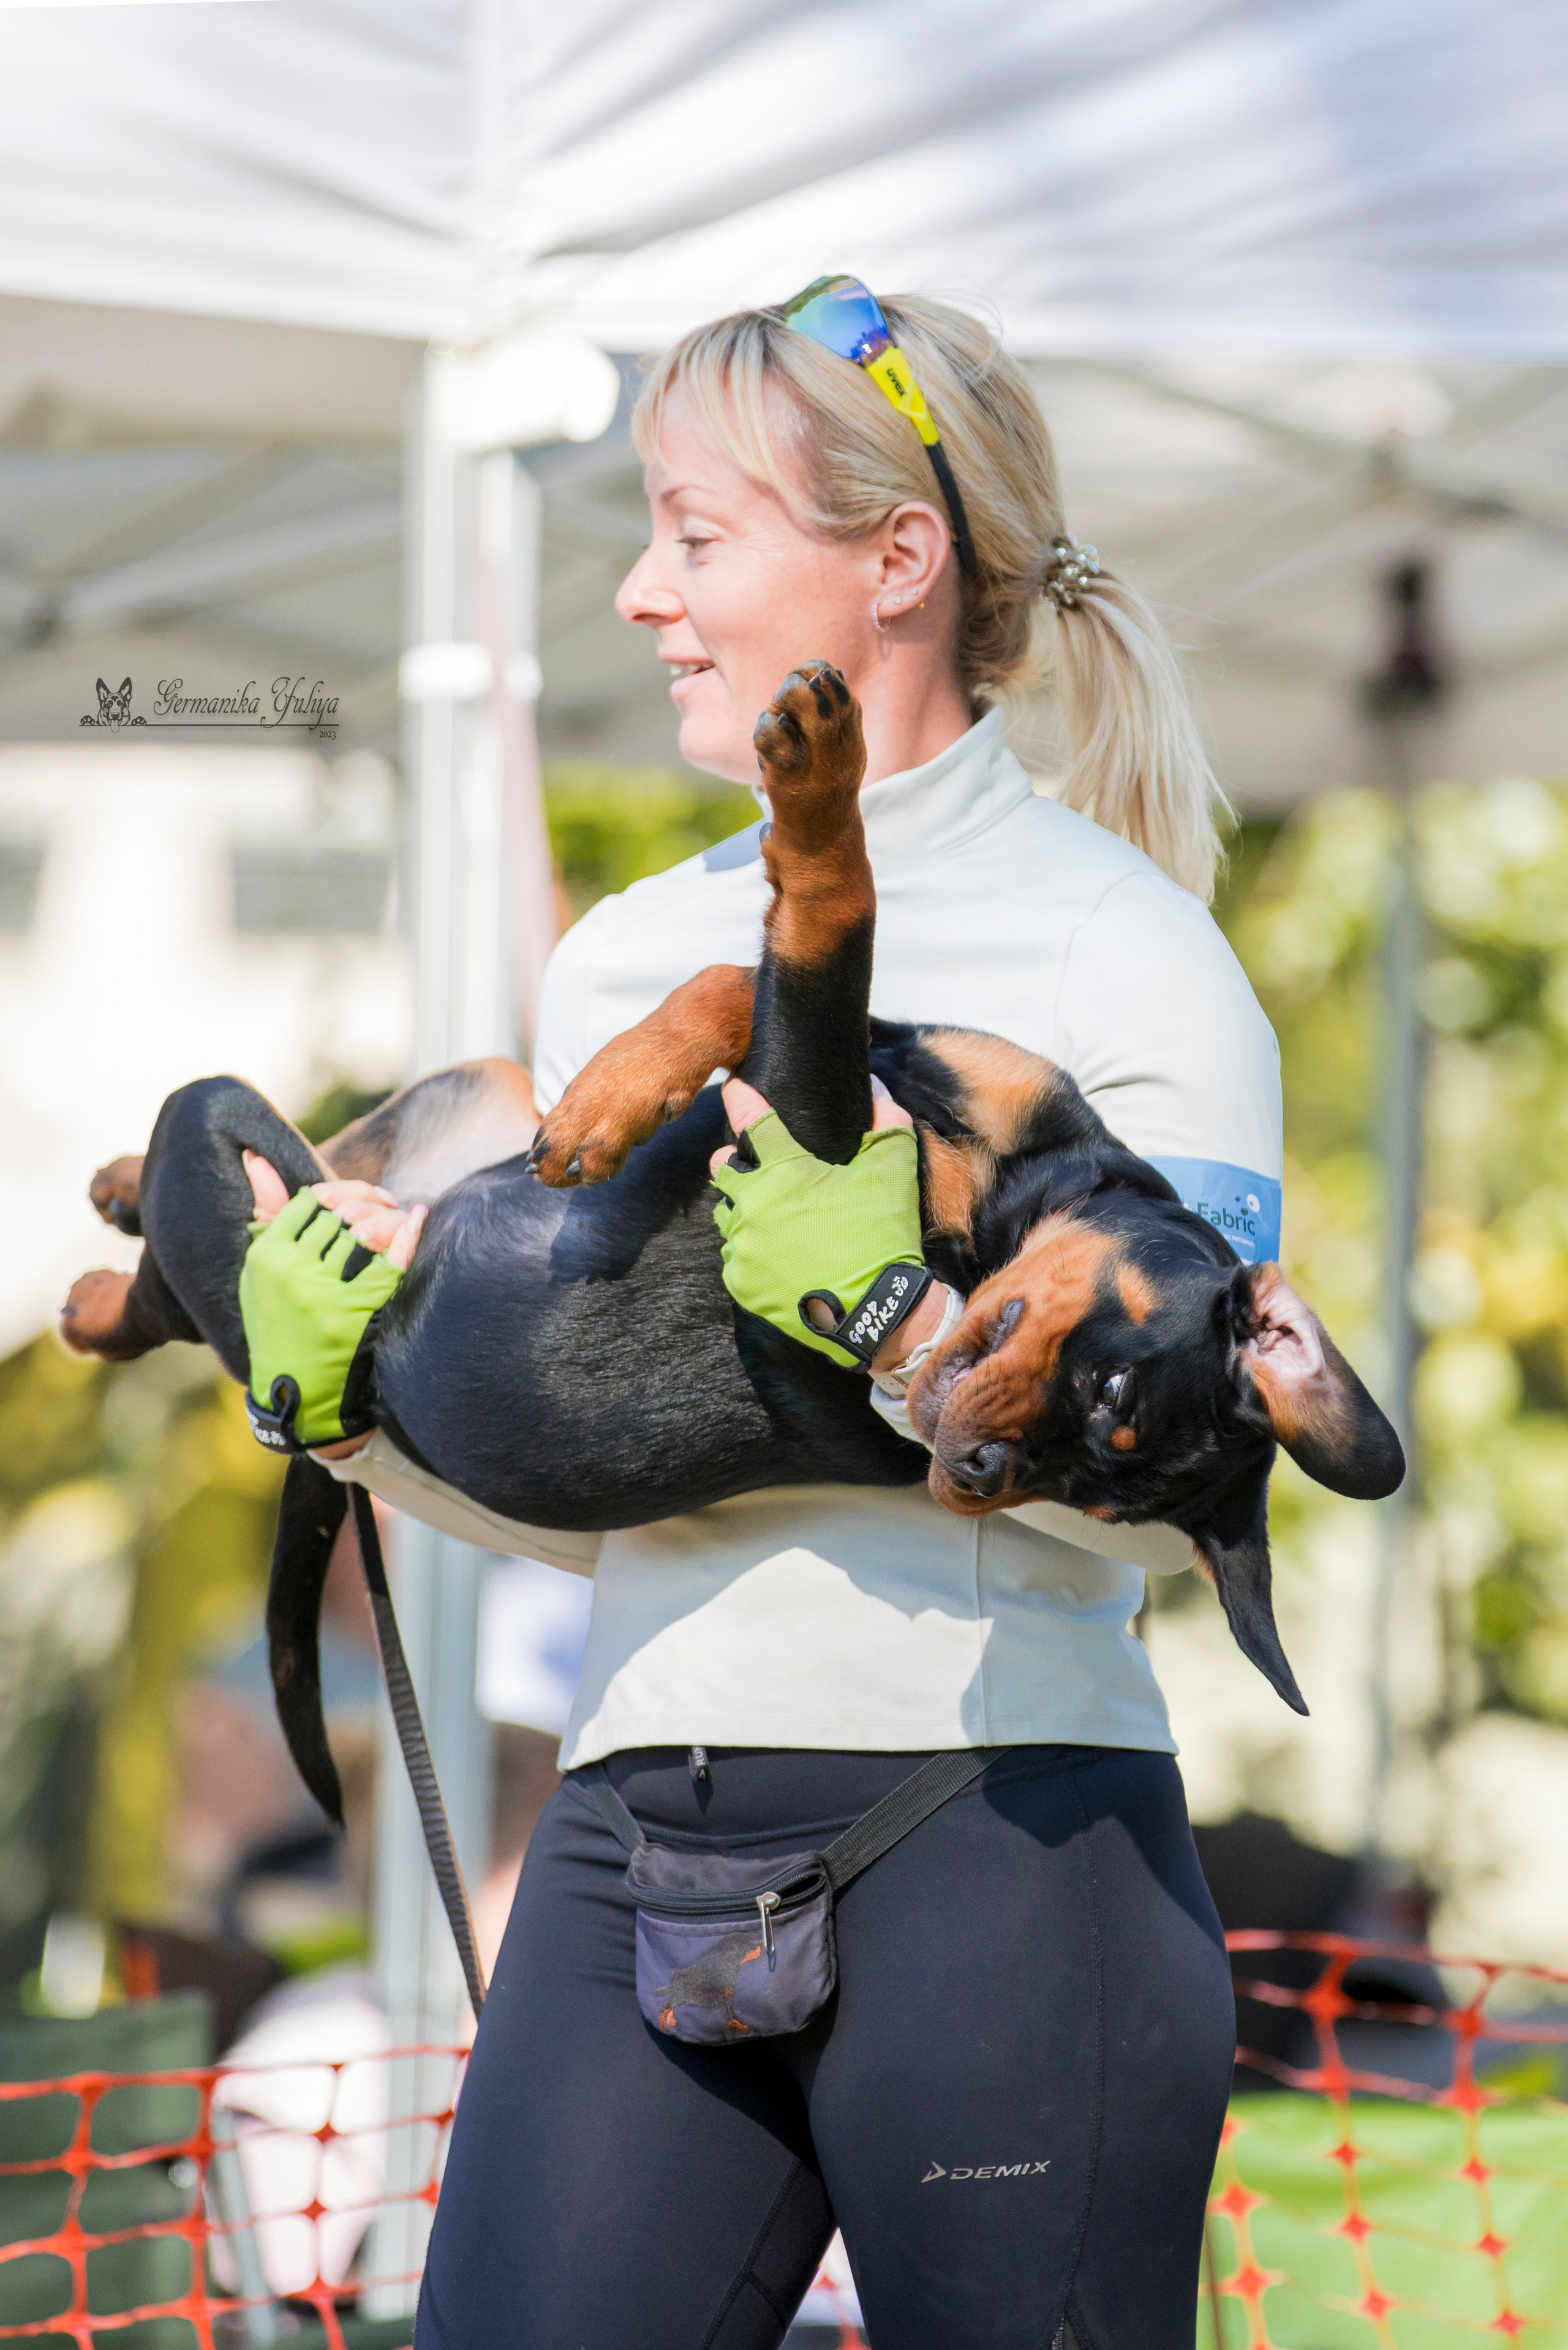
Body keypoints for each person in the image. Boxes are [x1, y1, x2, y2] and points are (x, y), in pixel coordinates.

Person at [244, 282, 1282, 2349]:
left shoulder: (1132, 956)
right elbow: (616, 1490)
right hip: (637, 1833)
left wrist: (906, 1328)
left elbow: (1195, 1500)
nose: (639, 592)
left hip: (1001, 1840)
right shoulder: (622, 964)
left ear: (896, 560)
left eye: (695, 534)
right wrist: (359, 1411)